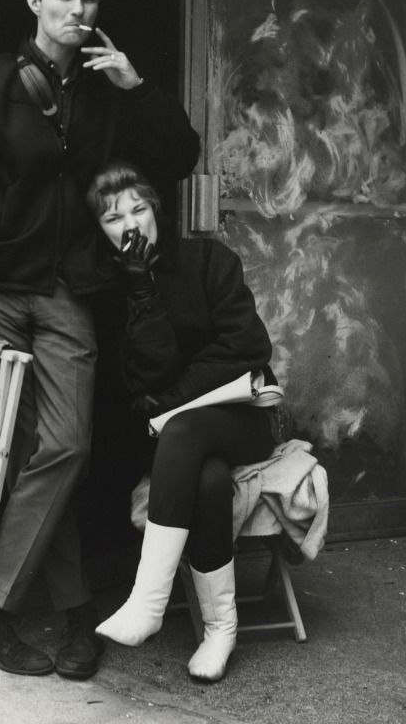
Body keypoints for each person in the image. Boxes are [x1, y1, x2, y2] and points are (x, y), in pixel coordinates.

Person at [0, 0, 199, 680]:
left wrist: (138, 88)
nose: (78, 11)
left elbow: (180, 156)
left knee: (64, 447)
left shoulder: (107, 93)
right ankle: (75, 616)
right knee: (35, 453)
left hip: (67, 295)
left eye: (89, 0)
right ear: (34, 3)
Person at [85, 160, 279, 682]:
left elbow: (246, 347)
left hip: (244, 418)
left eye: (138, 210)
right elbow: (145, 377)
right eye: (113, 219)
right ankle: (220, 629)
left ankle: (148, 602)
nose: (130, 225)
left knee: (183, 427)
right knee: (208, 479)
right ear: (101, 232)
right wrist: (142, 292)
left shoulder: (210, 260)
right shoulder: (116, 293)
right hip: (180, 444)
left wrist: (175, 397)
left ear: (156, 211)